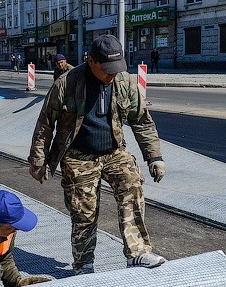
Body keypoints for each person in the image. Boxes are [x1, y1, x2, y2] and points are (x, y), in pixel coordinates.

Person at [28, 34, 167, 273]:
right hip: (79, 156)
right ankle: (84, 264)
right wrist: (39, 161)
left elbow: (141, 121)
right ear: (91, 60)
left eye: (116, 69)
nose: (111, 75)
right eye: (107, 69)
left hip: (114, 152)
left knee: (132, 187)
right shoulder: (67, 83)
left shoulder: (124, 81)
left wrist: (154, 156)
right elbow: (45, 124)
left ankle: (138, 252)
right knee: (84, 211)